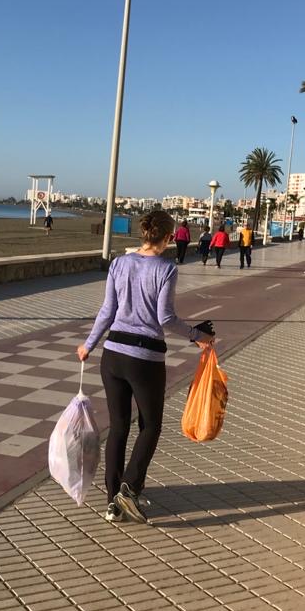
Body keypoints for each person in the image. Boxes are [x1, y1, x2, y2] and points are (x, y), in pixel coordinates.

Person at [77, 210, 215, 524]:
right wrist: (198, 336)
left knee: (118, 427)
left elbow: (107, 310)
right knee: (150, 426)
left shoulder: (119, 264)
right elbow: (165, 318)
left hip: (113, 355)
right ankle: (130, 487)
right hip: (145, 359)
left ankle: (113, 502)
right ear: (168, 237)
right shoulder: (166, 269)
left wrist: (88, 345)